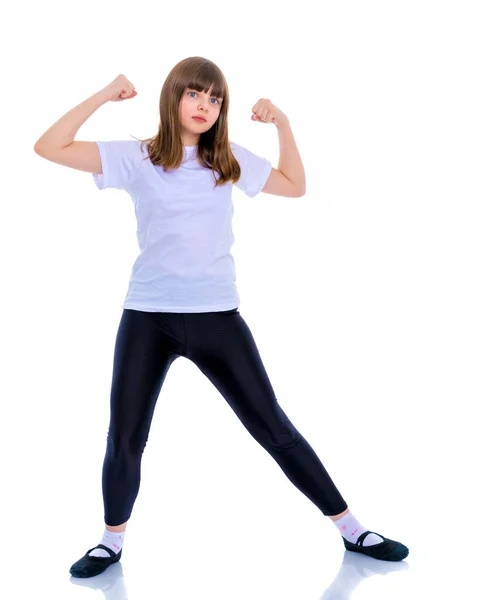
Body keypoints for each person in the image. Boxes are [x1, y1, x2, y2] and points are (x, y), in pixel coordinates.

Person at [34, 57, 408, 578]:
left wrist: (283, 124)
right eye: (195, 94)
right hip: (148, 316)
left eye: (215, 98)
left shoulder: (227, 158)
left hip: (216, 318)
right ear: (173, 98)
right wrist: (104, 93)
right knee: (124, 436)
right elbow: (48, 147)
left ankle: (352, 530)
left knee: (274, 428)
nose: (205, 105)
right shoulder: (135, 157)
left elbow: (294, 185)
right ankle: (110, 542)